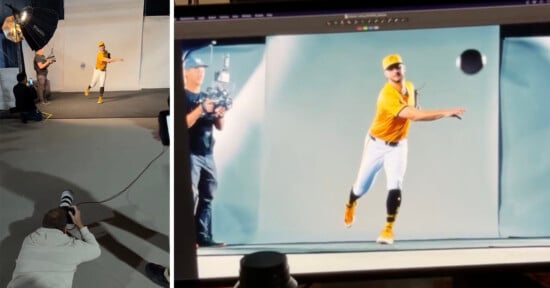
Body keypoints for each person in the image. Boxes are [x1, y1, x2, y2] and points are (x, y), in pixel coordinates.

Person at [343, 54, 465, 245]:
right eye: (391, 68)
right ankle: (351, 202)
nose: (395, 71)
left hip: (398, 145)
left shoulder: (410, 86)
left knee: (395, 184)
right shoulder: (386, 95)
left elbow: (416, 109)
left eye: (398, 66)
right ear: (385, 73)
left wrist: (434, 112)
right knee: (361, 187)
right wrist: (444, 112)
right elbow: (414, 116)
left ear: (403, 68)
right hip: (376, 143)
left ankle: (388, 229)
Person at [184, 57, 226, 247]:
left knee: (207, 197)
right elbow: (183, 124)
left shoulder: (206, 96)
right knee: (190, 197)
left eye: (202, 69)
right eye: (195, 68)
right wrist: (201, 108)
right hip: (191, 154)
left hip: (208, 154)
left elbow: (220, 126)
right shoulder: (183, 97)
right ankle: (187, 239)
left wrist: (219, 114)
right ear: (185, 72)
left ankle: (203, 237)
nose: (200, 72)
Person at [7, 204, 101, 288]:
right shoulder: (73, 247)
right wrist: (80, 224)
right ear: (65, 229)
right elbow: (95, 249)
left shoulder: (29, 240)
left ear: (44, 223)